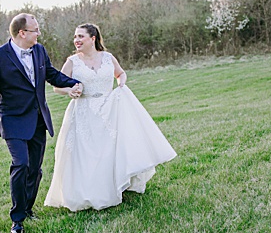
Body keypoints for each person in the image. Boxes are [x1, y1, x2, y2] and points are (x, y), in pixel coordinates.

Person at [43, 23, 177, 211]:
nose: (76, 40)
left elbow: (120, 74)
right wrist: (70, 91)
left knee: (108, 150)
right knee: (85, 153)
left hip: (109, 109)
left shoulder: (108, 58)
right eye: (75, 37)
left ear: (93, 38)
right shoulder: (72, 61)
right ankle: (85, 191)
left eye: (81, 36)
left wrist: (121, 84)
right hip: (83, 111)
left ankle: (113, 185)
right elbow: (58, 86)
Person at [0, 13, 83, 233]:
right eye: (35, 30)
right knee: (21, 164)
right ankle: (17, 220)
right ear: (22, 33)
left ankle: (28, 208)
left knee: (35, 169)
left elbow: (51, 75)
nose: (39, 33)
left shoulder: (40, 50)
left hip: (37, 119)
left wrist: (75, 82)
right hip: (13, 120)